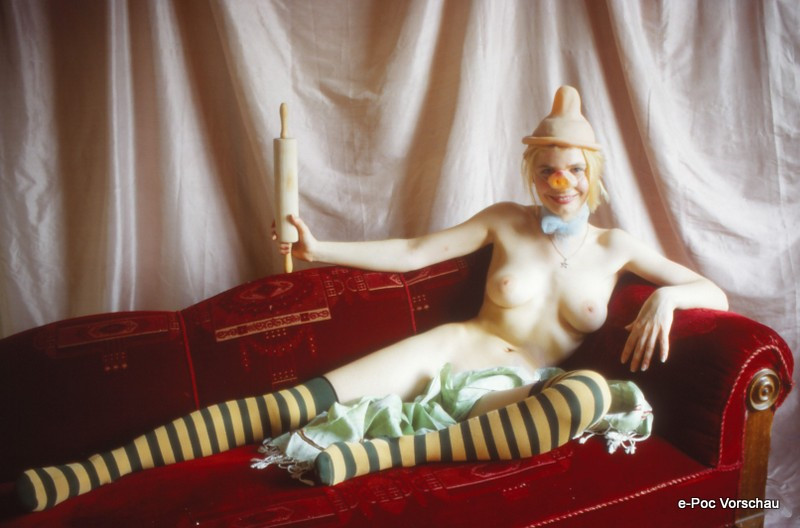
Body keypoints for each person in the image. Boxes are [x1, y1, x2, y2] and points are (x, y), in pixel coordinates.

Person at [17, 86, 728, 511]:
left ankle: (375, 456)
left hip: (517, 390)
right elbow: (416, 251)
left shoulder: (615, 246)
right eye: (547, 171)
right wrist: (319, 248)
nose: (560, 184)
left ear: (591, 173)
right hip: (454, 349)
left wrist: (666, 302)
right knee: (285, 404)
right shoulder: (505, 220)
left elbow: (713, 291)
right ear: (532, 173)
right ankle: (82, 474)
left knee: (586, 397)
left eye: (571, 170)